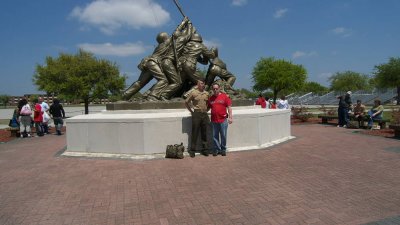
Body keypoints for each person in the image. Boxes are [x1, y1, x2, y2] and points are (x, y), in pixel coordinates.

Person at [184, 79, 210, 157]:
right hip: (196, 114)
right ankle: (192, 150)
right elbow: (186, 102)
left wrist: (206, 110)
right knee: (195, 132)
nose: (202, 85)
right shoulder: (193, 93)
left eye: (203, 83)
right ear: (198, 85)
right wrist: (192, 112)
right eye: (201, 83)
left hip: (204, 114)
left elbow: (209, 103)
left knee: (204, 132)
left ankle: (205, 150)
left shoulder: (207, 93)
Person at [208, 83, 232, 156]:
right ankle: (217, 149)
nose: (215, 90)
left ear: (219, 88)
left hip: (223, 120)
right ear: (212, 89)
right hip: (214, 120)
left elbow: (229, 107)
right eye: (214, 89)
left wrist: (230, 117)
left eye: (216, 88)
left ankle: (223, 149)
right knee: (214, 136)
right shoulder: (211, 98)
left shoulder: (224, 97)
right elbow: (208, 108)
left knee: (223, 135)